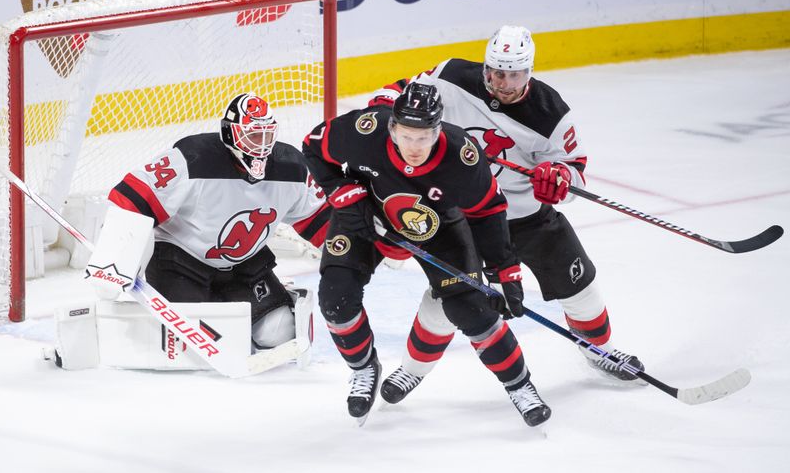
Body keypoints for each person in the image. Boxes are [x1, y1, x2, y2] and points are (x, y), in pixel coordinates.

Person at [369, 25, 646, 405]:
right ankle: (411, 370)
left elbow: (575, 166)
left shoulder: (551, 113)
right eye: (497, 72)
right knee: (445, 299)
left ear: (529, 71)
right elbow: (403, 90)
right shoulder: (452, 76)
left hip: (528, 218)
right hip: (467, 218)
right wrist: (384, 105)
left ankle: (601, 350)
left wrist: (559, 178)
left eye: (513, 74)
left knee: (580, 288)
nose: (503, 82)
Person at [302, 81, 551, 427]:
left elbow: (489, 210)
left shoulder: (462, 154)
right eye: (406, 136)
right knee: (335, 296)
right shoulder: (366, 130)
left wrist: (504, 270)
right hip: (366, 215)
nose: (414, 147)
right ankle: (363, 368)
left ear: (437, 130)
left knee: (471, 309)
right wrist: (343, 194)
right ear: (392, 126)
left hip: (439, 229)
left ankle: (521, 386)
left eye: (423, 137)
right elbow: (312, 146)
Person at [83, 92, 330, 356]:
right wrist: (113, 261)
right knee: (199, 345)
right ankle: (211, 306)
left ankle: (235, 303)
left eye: (266, 135)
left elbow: (319, 220)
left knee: (279, 331)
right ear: (230, 134)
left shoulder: (292, 168)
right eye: (252, 135)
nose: (261, 145)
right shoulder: (192, 159)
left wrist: (354, 249)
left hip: (244, 266)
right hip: (180, 263)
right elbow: (129, 200)